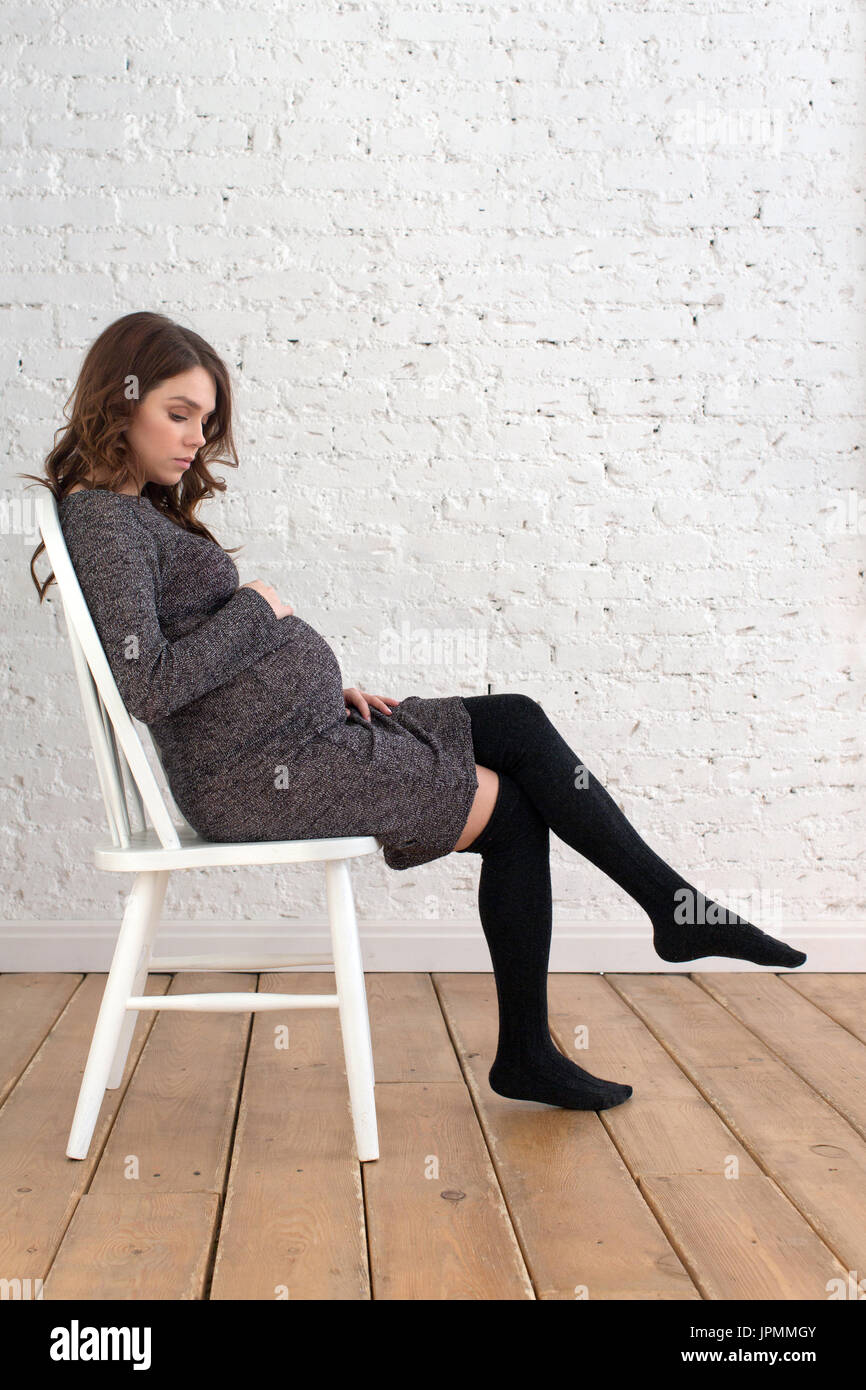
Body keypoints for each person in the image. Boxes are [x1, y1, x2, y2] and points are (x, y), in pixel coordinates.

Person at [25, 311, 807, 1119]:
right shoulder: (107, 523)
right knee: (510, 810)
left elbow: (197, 663)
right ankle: (583, 1000)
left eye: (206, 420)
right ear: (118, 403)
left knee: (516, 721)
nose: (195, 439)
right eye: (177, 414)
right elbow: (146, 686)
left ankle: (661, 918)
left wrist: (318, 688)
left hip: (292, 741)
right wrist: (258, 612)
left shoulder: (133, 512)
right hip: (258, 780)